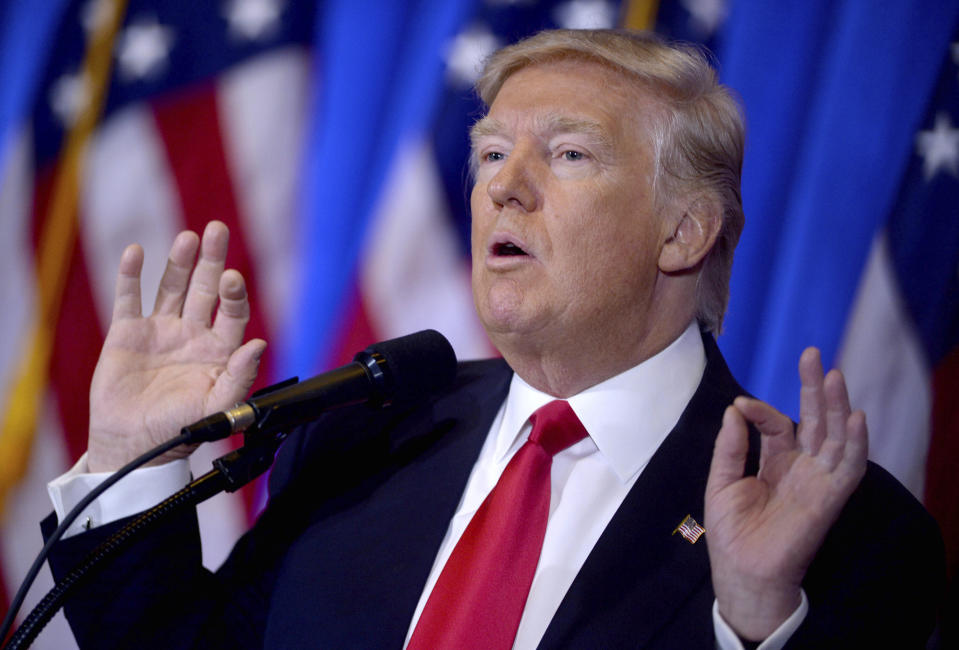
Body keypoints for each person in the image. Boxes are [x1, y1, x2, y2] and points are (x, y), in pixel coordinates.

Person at [45, 29, 943, 649]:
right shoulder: (371, 432)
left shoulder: (840, 532)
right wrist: (128, 463)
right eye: (487, 154)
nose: (502, 189)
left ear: (684, 232)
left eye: (567, 154)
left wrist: (750, 625)